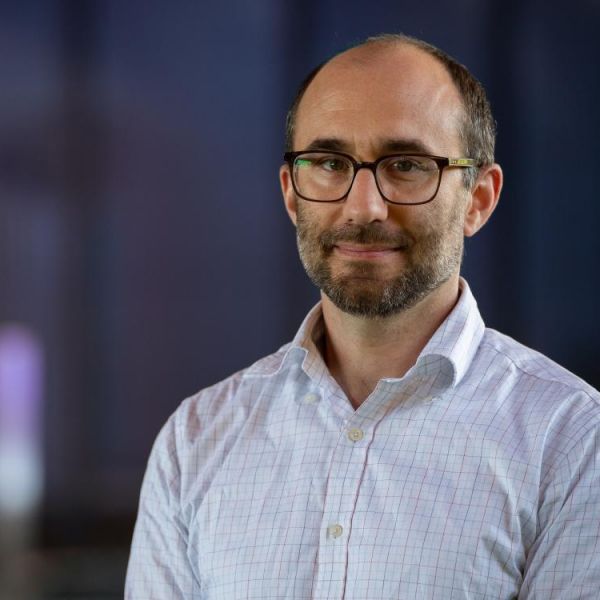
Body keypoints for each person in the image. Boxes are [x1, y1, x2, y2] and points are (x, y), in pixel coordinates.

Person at [125, 34, 600, 599]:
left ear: (478, 199)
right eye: (328, 163)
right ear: (292, 194)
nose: (364, 206)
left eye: (406, 165)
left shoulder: (571, 442)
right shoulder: (195, 441)